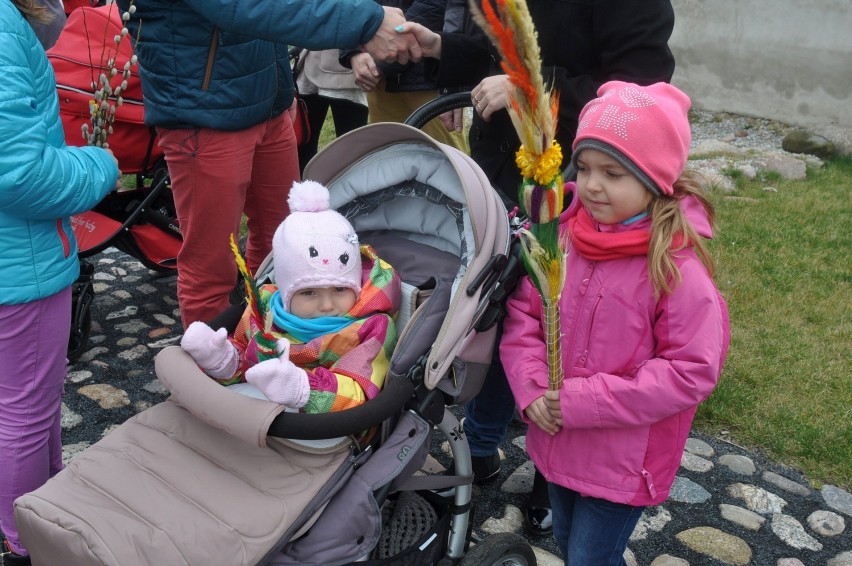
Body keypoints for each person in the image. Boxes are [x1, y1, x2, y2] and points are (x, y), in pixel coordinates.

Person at [396, 0, 677, 536]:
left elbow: (639, 85)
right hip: (504, 168)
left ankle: (559, 479)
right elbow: (510, 46)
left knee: (567, 322)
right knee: (504, 306)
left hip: (583, 182)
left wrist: (531, 88)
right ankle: (481, 443)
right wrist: (442, 48)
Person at [501, 81, 730, 564]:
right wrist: (530, 387)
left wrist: (580, 401)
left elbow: (690, 370)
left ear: (655, 179)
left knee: (589, 557)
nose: (592, 184)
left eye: (614, 173)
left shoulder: (675, 268)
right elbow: (525, 315)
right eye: (583, 168)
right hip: (557, 438)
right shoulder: (559, 237)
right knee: (567, 543)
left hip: (623, 462)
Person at [116, 0, 422, 329]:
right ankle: (213, 369)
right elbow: (247, 7)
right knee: (211, 265)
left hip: (264, 103)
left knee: (283, 241)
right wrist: (368, 21)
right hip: (204, 114)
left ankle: (269, 341)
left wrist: (281, 85)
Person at [0, 1, 121, 563]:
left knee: (29, 399)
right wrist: (99, 163)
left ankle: (50, 501)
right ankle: (27, 537)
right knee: (24, 408)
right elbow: (20, 172)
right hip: (17, 266)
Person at [180, 181, 401, 413]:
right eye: (308, 292)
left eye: (339, 290)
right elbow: (249, 358)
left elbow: (359, 391)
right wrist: (225, 361)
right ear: (285, 294)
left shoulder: (372, 327)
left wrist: (302, 389)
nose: (327, 305)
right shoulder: (265, 309)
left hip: (321, 424)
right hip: (251, 416)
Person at [346, 0, 469, 152]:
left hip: (428, 73)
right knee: (386, 156)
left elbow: (433, 7)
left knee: (445, 159)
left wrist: (378, 56)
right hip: (380, 76)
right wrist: (352, 52)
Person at [296, 49, 369, 174]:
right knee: (303, 146)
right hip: (309, 61)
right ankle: (303, 190)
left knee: (352, 152)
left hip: (348, 66)